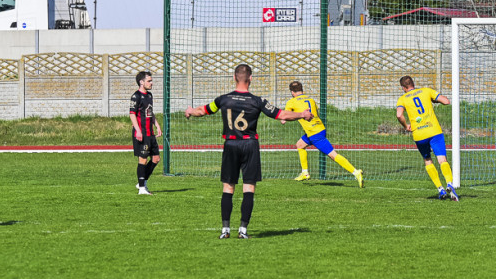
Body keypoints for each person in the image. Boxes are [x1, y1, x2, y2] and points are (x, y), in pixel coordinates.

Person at [184, 64, 312, 239]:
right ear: (250, 78)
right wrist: (302, 115)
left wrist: (191, 110)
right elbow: (282, 115)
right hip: (250, 145)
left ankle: (225, 230)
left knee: (228, 188)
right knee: (248, 188)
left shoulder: (223, 99)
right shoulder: (257, 101)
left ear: (234, 78)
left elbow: (203, 111)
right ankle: (243, 230)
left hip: (231, 145)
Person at [282, 81, 364, 187]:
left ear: (292, 92)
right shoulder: (310, 100)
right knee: (300, 145)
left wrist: (284, 118)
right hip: (319, 128)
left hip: (314, 133)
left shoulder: (291, 102)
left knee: (333, 155)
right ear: (302, 89)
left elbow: (285, 118)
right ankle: (305, 172)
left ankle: (355, 172)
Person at [396, 75, 457, 200]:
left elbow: (399, 115)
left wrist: (406, 125)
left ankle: (440, 189)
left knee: (428, 160)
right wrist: (434, 100)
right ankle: (449, 184)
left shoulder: (402, 99)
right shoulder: (426, 91)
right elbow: (446, 101)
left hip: (419, 134)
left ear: (403, 88)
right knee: (442, 159)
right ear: (413, 83)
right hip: (434, 131)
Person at [130, 70, 162, 195]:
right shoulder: (136, 96)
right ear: (141, 82)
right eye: (149, 81)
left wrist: (157, 125)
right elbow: (132, 114)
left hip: (150, 133)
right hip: (142, 133)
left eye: (151, 80)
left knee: (156, 158)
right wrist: (138, 131)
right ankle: (142, 188)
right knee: (142, 159)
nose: (152, 83)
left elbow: (150, 112)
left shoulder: (149, 96)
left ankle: (141, 182)